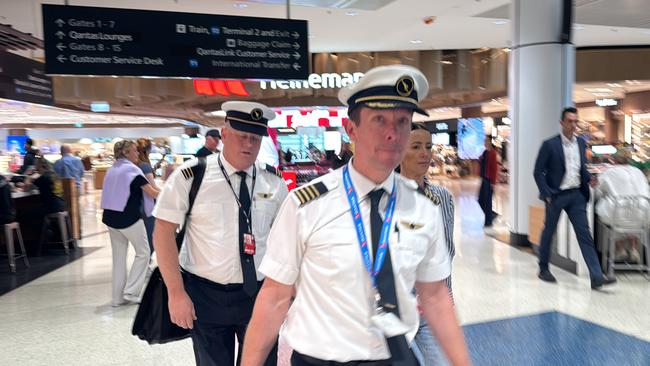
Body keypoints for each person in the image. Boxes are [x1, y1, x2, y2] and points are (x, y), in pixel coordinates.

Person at [242, 65, 470, 365]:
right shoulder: (307, 204)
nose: (393, 133)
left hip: (395, 357)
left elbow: (436, 295)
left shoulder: (423, 206)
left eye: (402, 121)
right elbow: (274, 297)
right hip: (320, 360)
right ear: (351, 130)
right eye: (379, 120)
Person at [153, 101, 288, 366]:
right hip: (205, 294)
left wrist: (286, 296)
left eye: (255, 138)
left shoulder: (273, 181)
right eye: (241, 136)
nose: (248, 144)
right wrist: (176, 293)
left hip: (258, 294)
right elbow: (163, 232)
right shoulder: (191, 177)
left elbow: (285, 242)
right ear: (224, 134)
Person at [533, 107, 617, 290]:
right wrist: (546, 193)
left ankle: (596, 276)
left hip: (577, 195)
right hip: (556, 196)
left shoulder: (581, 143)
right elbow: (538, 172)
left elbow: (581, 169)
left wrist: (590, 179)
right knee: (549, 231)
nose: (573, 125)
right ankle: (543, 268)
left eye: (575, 121)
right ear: (562, 123)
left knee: (585, 235)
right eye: (570, 121)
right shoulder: (550, 145)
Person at [399, 123, 456, 366]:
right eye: (416, 146)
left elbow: (447, 252)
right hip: (393, 308)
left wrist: (447, 300)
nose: (425, 153)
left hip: (430, 307)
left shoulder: (442, 198)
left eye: (428, 147)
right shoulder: (384, 197)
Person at [100, 140, 159, 307]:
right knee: (144, 253)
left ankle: (117, 298)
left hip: (111, 219)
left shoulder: (113, 169)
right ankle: (131, 291)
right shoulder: (132, 170)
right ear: (125, 153)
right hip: (129, 219)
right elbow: (153, 193)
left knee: (118, 258)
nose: (137, 154)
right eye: (134, 151)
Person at [594, 155, 650, 263]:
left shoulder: (608, 172)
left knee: (614, 221)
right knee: (634, 222)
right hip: (644, 213)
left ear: (613, 162)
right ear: (628, 162)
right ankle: (633, 249)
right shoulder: (638, 172)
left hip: (616, 214)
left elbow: (598, 191)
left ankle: (620, 249)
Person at [136, 138, 159, 253]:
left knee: (143, 239)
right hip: (147, 205)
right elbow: (152, 188)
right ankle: (146, 265)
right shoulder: (144, 166)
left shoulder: (135, 164)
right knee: (150, 238)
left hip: (137, 205)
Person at [478, 138, 498, 228]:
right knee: (480, 200)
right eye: (484, 141)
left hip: (489, 180)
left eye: (486, 141)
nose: (485, 143)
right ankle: (492, 215)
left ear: (490, 142)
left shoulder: (493, 153)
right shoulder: (485, 152)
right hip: (483, 179)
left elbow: (494, 168)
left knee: (487, 201)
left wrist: (493, 182)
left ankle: (488, 222)